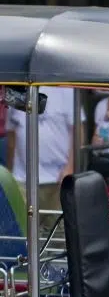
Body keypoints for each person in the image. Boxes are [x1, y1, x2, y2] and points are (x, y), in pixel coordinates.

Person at [5, 86, 80, 231]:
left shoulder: (67, 90)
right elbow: (12, 133)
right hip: (21, 178)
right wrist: (10, 171)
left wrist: (70, 167)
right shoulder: (16, 90)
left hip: (58, 178)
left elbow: (78, 131)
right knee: (21, 230)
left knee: (59, 233)